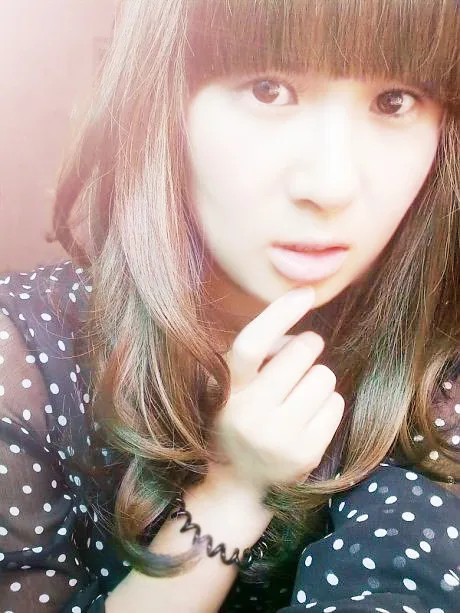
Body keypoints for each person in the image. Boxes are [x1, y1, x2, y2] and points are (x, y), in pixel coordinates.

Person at [0, 0, 459, 611]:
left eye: (394, 101)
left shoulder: (440, 360)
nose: (331, 185)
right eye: (269, 90)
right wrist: (233, 491)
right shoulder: (25, 354)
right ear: (162, 107)